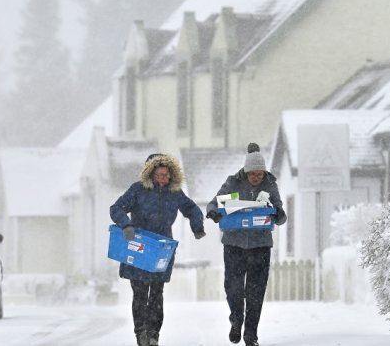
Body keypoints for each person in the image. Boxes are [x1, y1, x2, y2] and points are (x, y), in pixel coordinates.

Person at [110, 153, 206, 346]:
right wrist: (126, 225)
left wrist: (197, 227)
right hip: (138, 247)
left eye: (167, 175)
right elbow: (116, 208)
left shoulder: (175, 192)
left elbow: (192, 209)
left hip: (161, 250)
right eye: (160, 174)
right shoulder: (137, 190)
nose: (164, 178)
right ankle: (141, 333)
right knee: (139, 293)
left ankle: (154, 335)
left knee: (156, 294)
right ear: (151, 174)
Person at [206, 143, 287, 346]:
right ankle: (236, 320)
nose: (257, 178)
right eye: (253, 174)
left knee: (255, 292)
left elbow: (279, 210)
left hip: (260, 246)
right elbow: (215, 202)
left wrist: (279, 214)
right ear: (246, 171)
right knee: (233, 289)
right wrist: (213, 212)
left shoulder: (269, 184)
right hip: (234, 244)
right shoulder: (233, 183)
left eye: (260, 174)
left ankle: (251, 334)